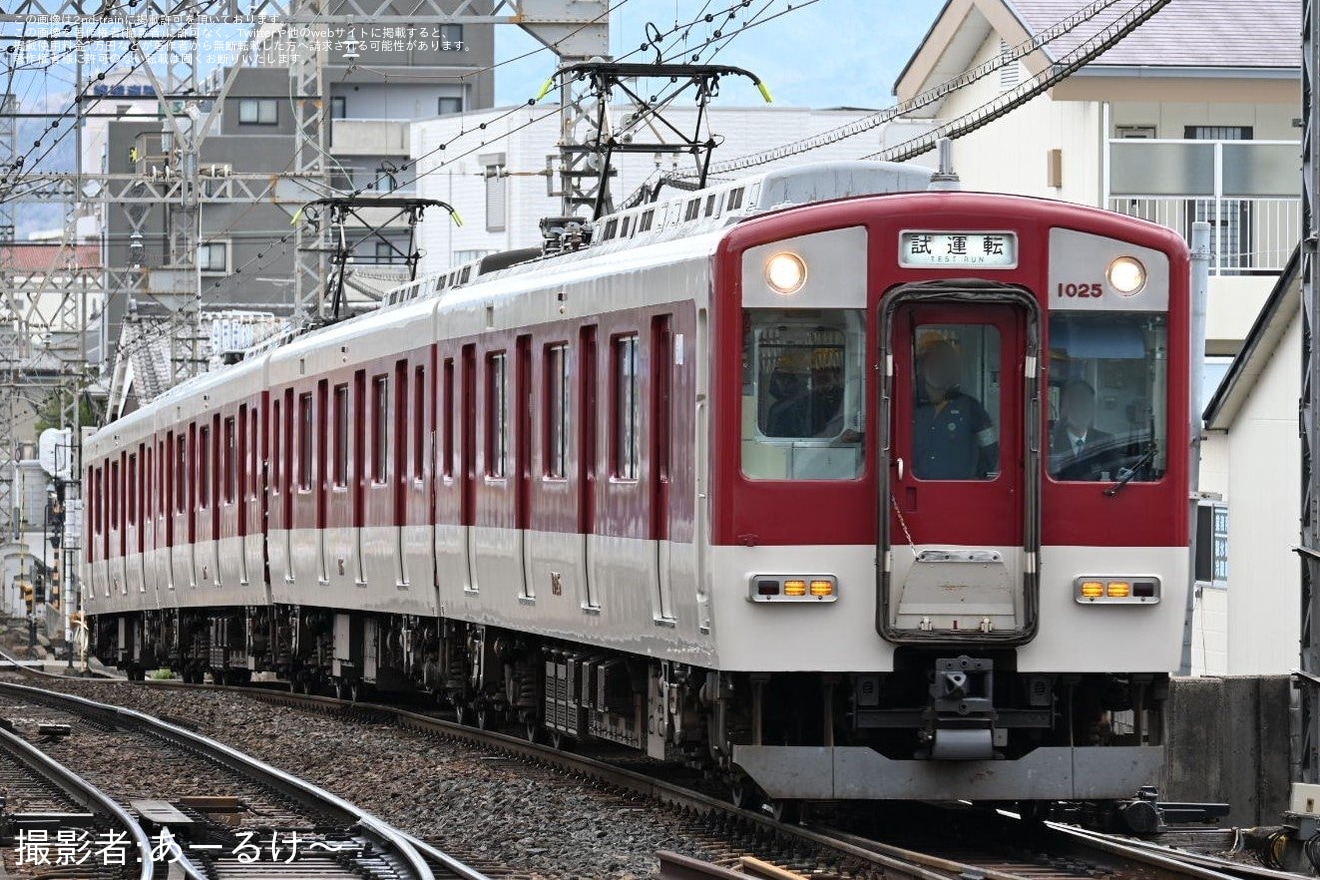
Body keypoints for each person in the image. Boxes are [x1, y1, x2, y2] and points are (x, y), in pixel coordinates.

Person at [912, 337, 998, 479]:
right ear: (921, 368)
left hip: (959, 494)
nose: (939, 368)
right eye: (933, 363)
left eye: (944, 364)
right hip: (913, 492)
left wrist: (977, 479)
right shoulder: (904, 406)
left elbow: (990, 450)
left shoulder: (971, 407)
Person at [1049, 379, 1119, 481]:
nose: (1081, 409)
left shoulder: (1105, 441)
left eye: (1086, 403)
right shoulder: (1052, 440)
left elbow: (1115, 479)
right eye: (1075, 403)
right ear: (1063, 408)